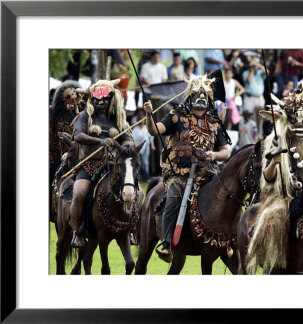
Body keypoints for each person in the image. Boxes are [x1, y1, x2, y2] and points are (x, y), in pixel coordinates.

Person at [246, 84, 303, 273]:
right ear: (286, 120)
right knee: (275, 219)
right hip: (284, 197)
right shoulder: (276, 141)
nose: (300, 125)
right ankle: (273, 263)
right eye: (294, 120)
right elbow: (267, 178)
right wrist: (275, 162)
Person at [144, 74, 230, 262]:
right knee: (174, 198)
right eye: (197, 93)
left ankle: (229, 239)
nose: (200, 98)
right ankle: (166, 242)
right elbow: (153, 130)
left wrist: (214, 155)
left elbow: (226, 151)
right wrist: (149, 115)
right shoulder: (176, 116)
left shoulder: (214, 121)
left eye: (204, 94)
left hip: (209, 173)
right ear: (190, 95)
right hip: (180, 174)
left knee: (227, 196)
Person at [69, 79, 135, 248]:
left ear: (111, 99)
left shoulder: (118, 119)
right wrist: (99, 141)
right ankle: (77, 233)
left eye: (104, 99)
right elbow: (77, 136)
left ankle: (131, 230)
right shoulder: (86, 116)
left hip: (113, 167)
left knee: (136, 192)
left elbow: (128, 140)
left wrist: (124, 147)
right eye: (97, 99)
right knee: (79, 193)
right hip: (90, 164)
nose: (100, 102)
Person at [242, 58, 266, 136]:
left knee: (260, 116)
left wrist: (258, 64)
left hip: (259, 97)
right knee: (250, 116)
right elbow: (248, 80)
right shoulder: (245, 73)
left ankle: (259, 135)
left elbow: (267, 72)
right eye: (253, 65)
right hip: (249, 97)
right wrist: (252, 70)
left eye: (256, 66)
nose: (255, 67)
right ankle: (250, 135)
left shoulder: (260, 72)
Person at [132, 108, 154, 182]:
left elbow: (151, 137)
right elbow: (133, 139)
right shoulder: (135, 129)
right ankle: (138, 178)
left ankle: (147, 178)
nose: (142, 121)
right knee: (137, 163)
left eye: (144, 120)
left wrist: (152, 145)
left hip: (146, 147)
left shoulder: (147, 128)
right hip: (137, 148)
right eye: (141, 120)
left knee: (145, 163)